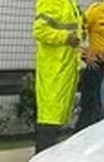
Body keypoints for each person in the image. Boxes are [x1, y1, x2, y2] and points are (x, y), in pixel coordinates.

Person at [33, 0, 85, 152]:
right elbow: (40, 31)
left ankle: (48, 154)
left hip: (65, 67)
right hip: (54, 68)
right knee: (50, 116)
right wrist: (66, 37)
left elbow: (78, 29)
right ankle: (42, 157)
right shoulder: (51, 2)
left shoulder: (70, 3)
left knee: (57, 116)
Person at [75, 0, 104, 131]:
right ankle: (81, 135)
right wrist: (84, 54)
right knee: (90, 106)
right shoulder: (96, 11)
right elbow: (78, 32)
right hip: (96, 65)